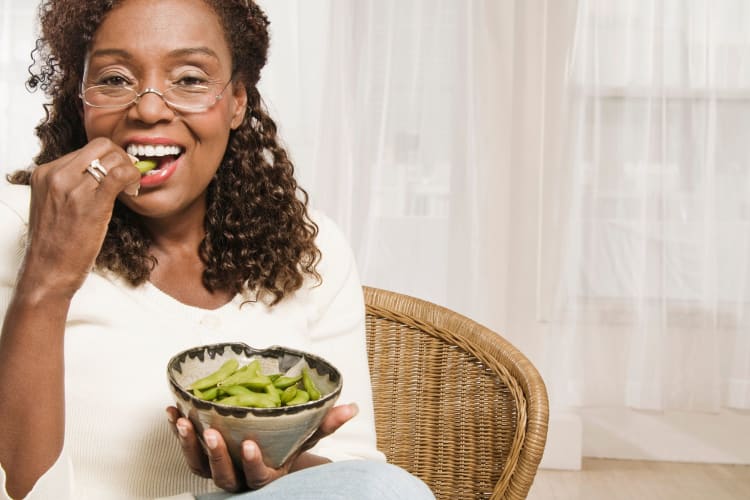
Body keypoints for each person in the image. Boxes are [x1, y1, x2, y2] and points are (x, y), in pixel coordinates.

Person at [0, 0, 435, 499]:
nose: (147, 108)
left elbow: (350, 473)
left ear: (236, 103)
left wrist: (277, 466)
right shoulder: (12, 224)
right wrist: (47, 279)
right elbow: (14, 489)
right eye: (115, 78)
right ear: (82, 102)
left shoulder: (310, 248)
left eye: (189, 79)